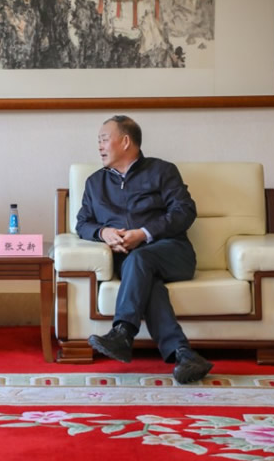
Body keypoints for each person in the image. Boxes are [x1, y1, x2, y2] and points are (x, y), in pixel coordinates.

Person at [76, 115, 212, 384]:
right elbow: (82, 223)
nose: (99, 146)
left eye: (104, 139)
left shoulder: (162, 171)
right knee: (148, 281)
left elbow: (185, 211)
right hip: (130, 262)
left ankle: (123, 332)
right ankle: (184, 355)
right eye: (99, 141)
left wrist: (144, 233)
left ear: (125, 141)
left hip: (173, 252)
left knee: (140, 259)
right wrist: (103, 232)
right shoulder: (95, 183)